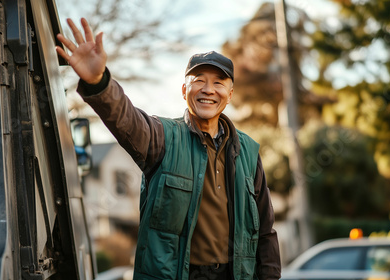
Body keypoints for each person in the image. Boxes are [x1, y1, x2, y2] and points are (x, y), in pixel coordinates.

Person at [56, 18, 281, 280]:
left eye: (219, 82)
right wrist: (98, 82)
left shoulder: (249, 153)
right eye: (199, 80)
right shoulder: (163, 137)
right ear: (185, 89)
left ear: (230, 95)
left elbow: (265, 231)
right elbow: (126, 119)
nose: (208, 89)